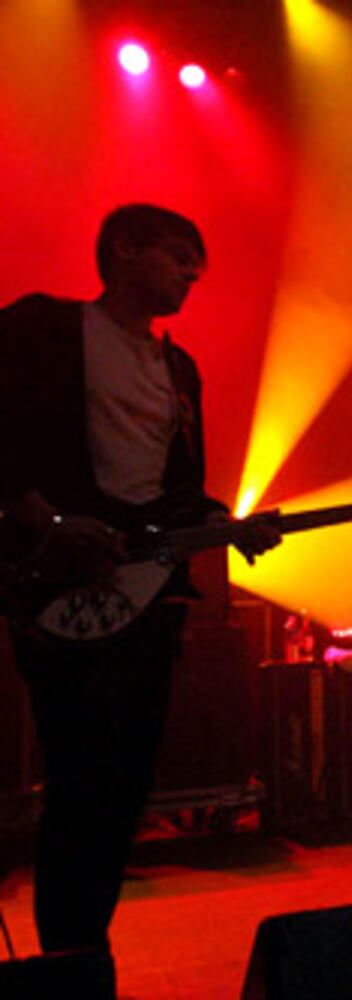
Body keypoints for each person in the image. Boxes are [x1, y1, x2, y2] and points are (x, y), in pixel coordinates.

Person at [0, 204, 280, 986]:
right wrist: (48, 522)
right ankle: (71, 960)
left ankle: (85, 951)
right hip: (57, 580)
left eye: (198, 264)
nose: (192, 273)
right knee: (79, 773)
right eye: (179, 254)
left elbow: (178, 492)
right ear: (123, 248)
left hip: (147, 593)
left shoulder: (179, 371)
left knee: (125, 782)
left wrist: (224, 524)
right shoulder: (44, 328)